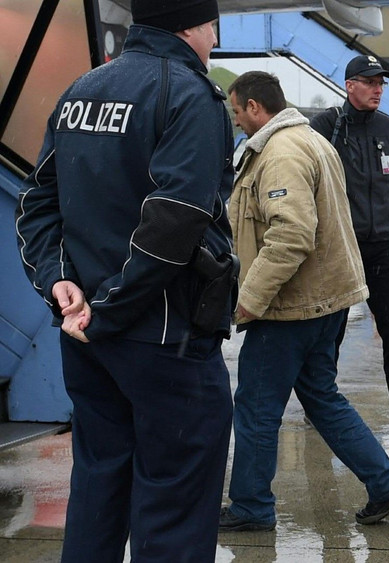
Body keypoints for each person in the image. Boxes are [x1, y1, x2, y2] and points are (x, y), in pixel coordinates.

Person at [15, 1, 236, 560]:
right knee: (176, 502)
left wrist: (58, 282)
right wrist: (112, 308)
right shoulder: (189, 94)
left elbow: (38, 199)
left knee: (97, 486)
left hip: (85, 336)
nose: (214, 39)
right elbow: (176, 218)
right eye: (213, 26)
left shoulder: (81, 90)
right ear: (191, 25)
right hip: (164, 339)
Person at [220, 71, 389, 531]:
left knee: (256, 406)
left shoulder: (281, 153)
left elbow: (290, 236)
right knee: (321, 396)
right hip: (327, 300)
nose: (237, 123)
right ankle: (384, 480)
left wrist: (249, 300)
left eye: (237, 113)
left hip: (291, 306)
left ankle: (250, 506)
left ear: (253, 107)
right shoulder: (312, 140)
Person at [310, 55, 389, 441]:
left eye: (381, 83)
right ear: (349, 85)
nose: (378, 89)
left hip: (379, 248)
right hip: (340, 247)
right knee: (331, 331)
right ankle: (319, 404)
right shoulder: (326, 127)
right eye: (369, 82)